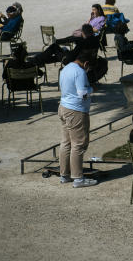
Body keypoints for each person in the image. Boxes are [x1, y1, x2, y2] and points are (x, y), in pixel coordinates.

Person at [58, 48, 97, 187]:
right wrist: (92, 89)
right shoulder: (80, 72)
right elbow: (82, 93)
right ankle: (78, 178)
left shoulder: (66, 68)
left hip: (63, 107)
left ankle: (64, 175)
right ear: (86, 63)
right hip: (76, 111)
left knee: (66, 143)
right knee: (78, 144)